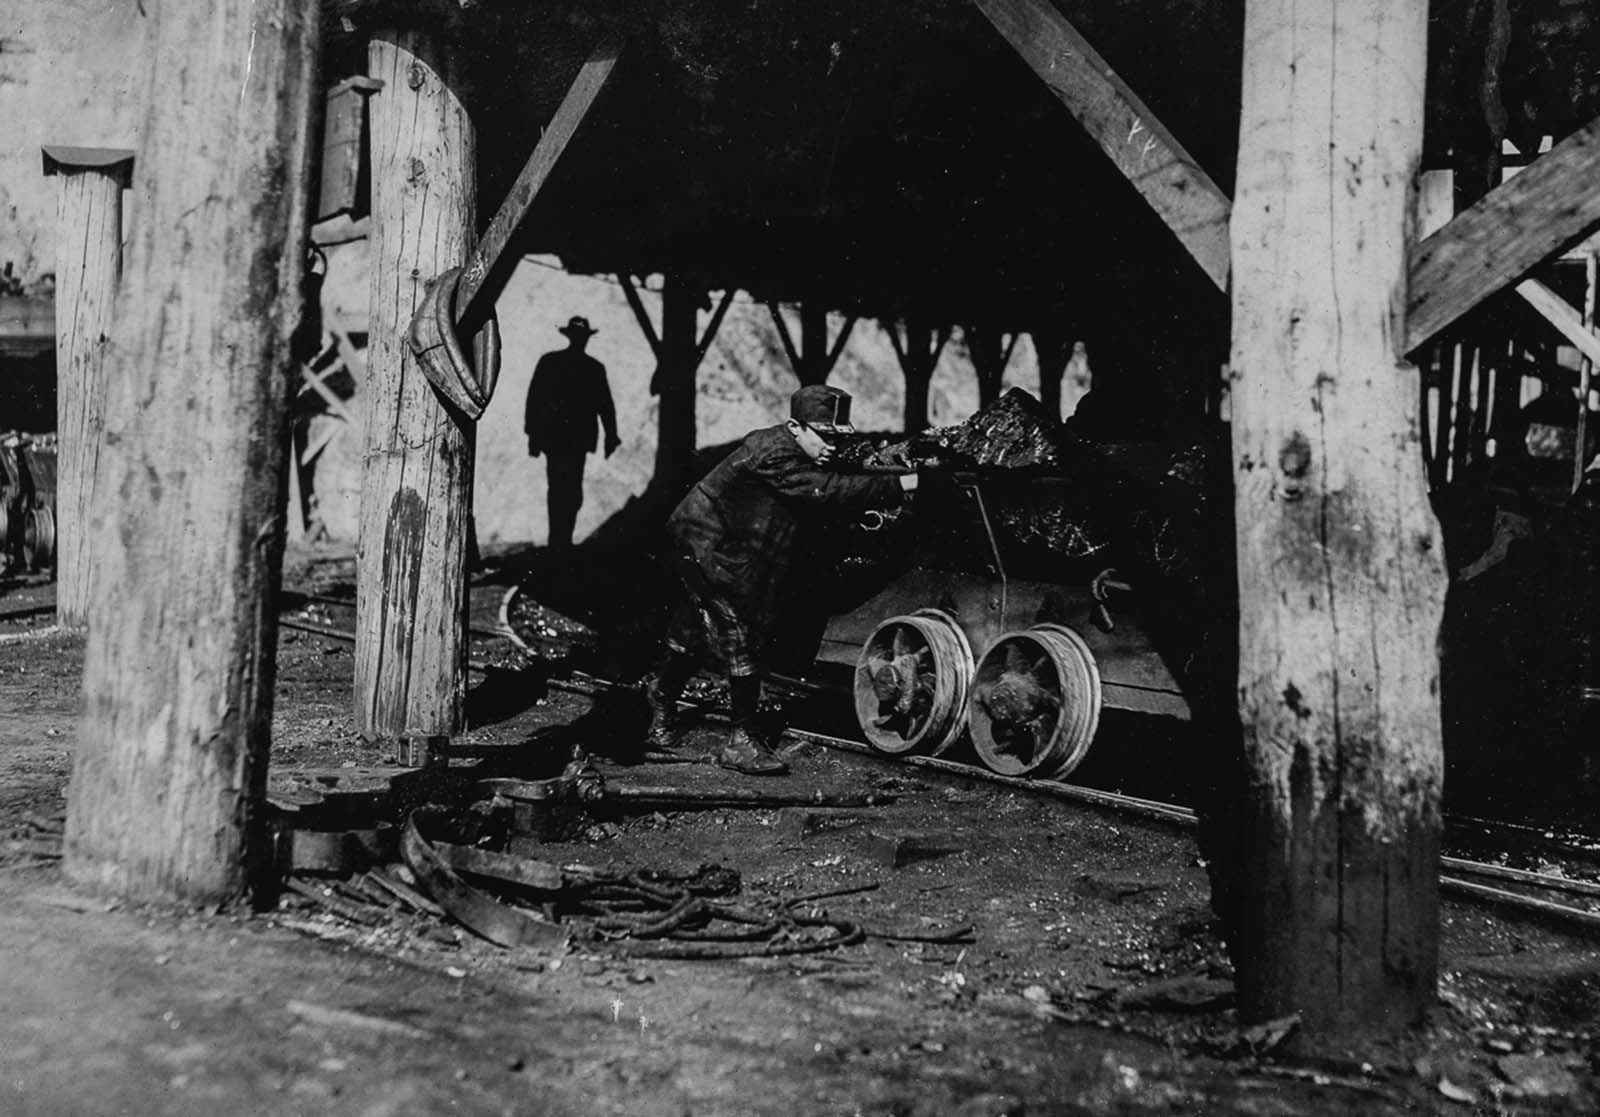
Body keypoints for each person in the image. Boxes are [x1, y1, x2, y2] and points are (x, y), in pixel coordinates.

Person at [644, 384, 921, 775]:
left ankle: (661, 696)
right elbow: (824, 491)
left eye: (837, 438)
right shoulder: (772, 452)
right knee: (741, 630)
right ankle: (741, 741)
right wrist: (904, 483)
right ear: (795, 426)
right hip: (705, 543)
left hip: (728, 543)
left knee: (693, 631)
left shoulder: (798, 448)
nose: (830, 446)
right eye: (823, 436)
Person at [525, 315, 620, 550]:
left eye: (582, 337)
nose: (580, 341)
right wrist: (533, 435)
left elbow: (605, 405)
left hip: (569, 440)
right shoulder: (556, 363)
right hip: (560, 440)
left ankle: (561, 539)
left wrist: (611, 435)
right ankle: (559, 540)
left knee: (566, 489)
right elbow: (535, 400)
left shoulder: (590, 368)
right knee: (563, 488)